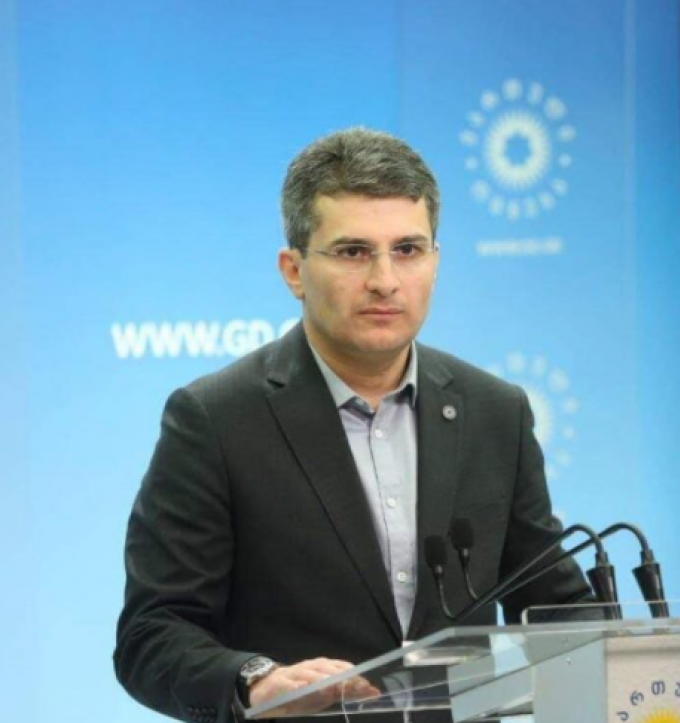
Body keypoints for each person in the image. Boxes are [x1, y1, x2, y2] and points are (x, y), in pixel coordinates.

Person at [114, 127, 593, 723]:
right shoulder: (215, 419)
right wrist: (258, 682)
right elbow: (153, 634)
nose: (385, 280)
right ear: (293, 270)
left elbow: (557, 610)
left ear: (436, 261)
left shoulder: (494, 411)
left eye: (408, 250)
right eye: (353, 252)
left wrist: (638, 667)